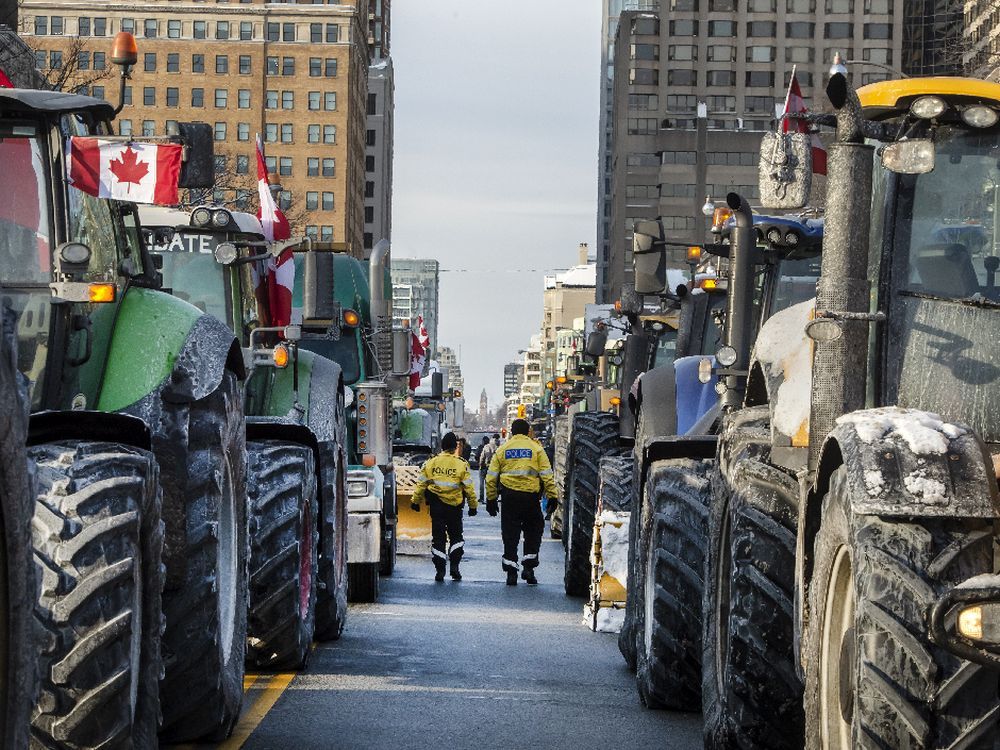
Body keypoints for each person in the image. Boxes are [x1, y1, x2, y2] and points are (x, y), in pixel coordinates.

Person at [485, 419, 559, 586]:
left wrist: (491, 499)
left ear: (512, 431)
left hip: (509, 498)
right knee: (533, 532)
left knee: (510, 534)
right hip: (530, 498)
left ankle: (511, 573)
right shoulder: (536, 449)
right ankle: (529, 568)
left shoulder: (503, 449)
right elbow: (547, 475)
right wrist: (552, 496)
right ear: (528, 432)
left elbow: (491, 478)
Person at [410, 432, 478, 581]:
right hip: (455, 507)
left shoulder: (431, 463)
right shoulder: (461, 464)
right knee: (456, 537)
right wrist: (473, 506)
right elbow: (469, 488)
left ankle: (440, 570)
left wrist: (415, 501)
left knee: (438, 538)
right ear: (455, 447)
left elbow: (421, 484)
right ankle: (454, 567)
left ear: (442, 446)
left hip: (436, 507)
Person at [477, 435, 498, 502]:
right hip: (491, 468)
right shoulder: (496, 447)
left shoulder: (485, 447)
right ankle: (489, 497)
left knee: (481, 483)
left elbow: (482, 457)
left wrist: (480, 465)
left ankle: (481, 498)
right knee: (489, 483)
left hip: (483, 467)